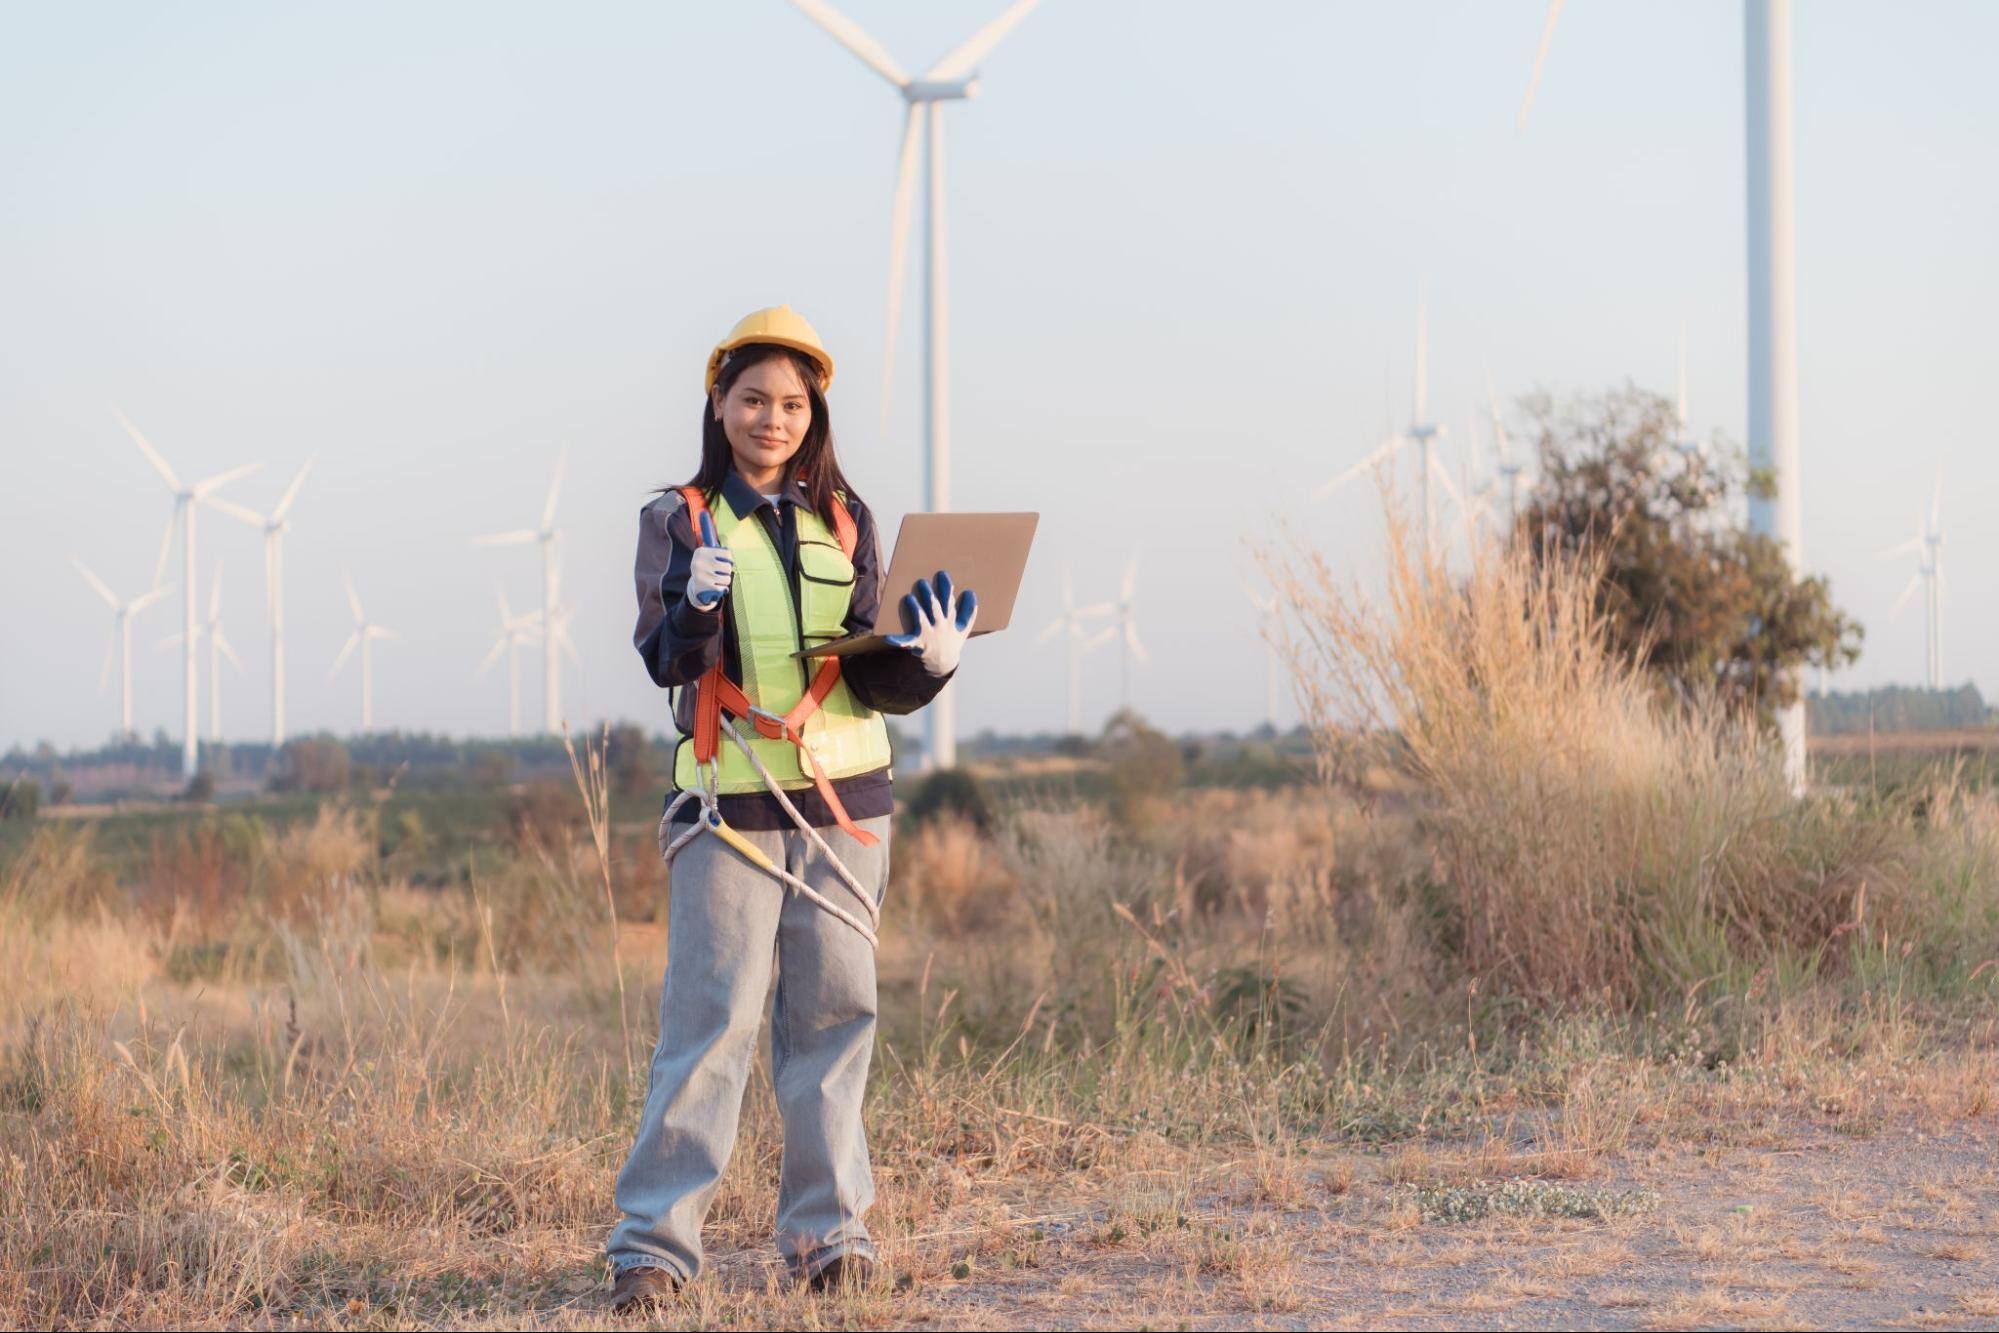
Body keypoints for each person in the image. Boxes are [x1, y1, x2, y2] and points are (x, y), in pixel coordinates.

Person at [606, 306, 976, 1311]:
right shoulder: (678, 521)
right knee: (709, 1024)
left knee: (833, 1019)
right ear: (719, 405)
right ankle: (651, 1249)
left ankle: (830, 1239)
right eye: (753, 398)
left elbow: (873, 677)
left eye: (792, 402)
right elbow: (664, 664)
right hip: (730, 806)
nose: (773, 417)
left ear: (814, 413)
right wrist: (695, 603)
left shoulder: (846, 519)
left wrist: (928, 664)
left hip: (848, 808)